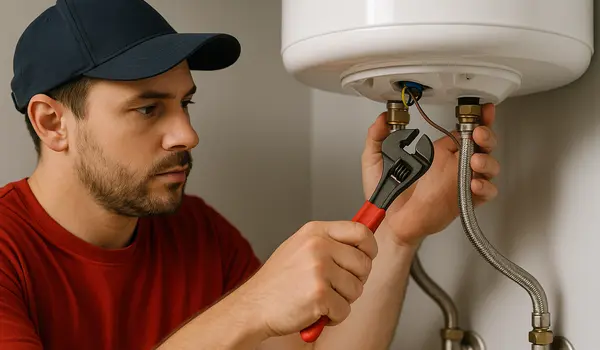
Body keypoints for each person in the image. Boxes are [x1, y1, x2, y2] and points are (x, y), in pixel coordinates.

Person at [0, 0, 501, 349]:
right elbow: (250, 315)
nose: (187, 135)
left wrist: (399, 232)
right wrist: (249, 307)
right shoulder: (8, 253)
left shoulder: (197, 232)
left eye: (185, 103)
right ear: (53, 123)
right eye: (148, 110)